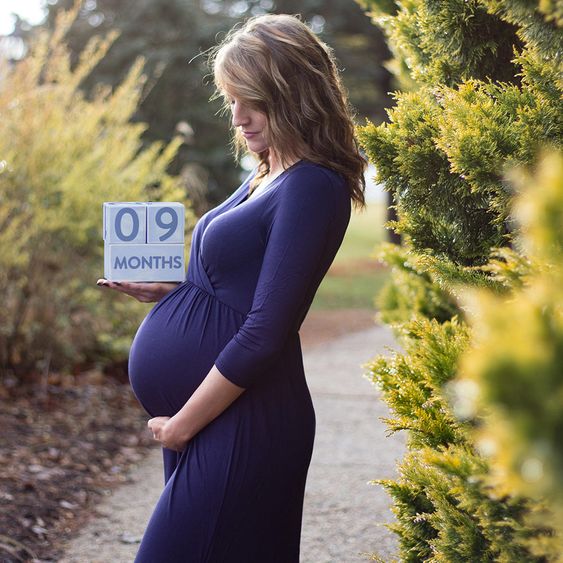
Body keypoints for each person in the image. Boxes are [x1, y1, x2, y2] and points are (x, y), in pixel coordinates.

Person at [97, 12, 367, 562]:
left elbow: (267, 329)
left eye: (252, 101)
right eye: (231, 100)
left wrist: (181, 426)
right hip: (217, 420)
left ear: (295, 95)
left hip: (245, 421)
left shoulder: (313, 185)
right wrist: (174, 294)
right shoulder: (269, 170)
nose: (238, 117)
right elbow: (239, 287)